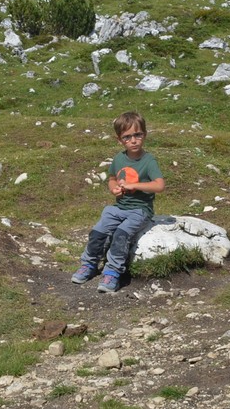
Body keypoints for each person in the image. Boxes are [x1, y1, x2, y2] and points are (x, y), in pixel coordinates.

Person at [71, 111, 165, 293]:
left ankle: (112, 272)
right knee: (98, 231)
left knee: (120, 235)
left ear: (144, 134)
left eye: (138, 135)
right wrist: (113, 188)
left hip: (140, 210)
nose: (133, 140)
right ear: (120, 140)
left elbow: (159, 185)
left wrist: (134, 185)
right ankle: (88, 264)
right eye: (127, 137)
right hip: (119, 207)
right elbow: (112, 178)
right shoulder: (119, 159)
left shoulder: (149, 160)